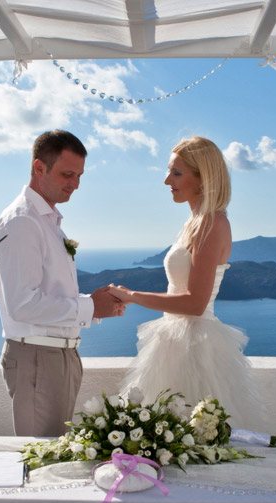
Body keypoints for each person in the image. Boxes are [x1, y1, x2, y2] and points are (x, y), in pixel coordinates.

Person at [109, 136, 263, 427]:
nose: (167, 180)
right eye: (169, 171)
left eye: (177, 173)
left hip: (193, 346)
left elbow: (194, 303)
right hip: (175, 340)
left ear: (204, 179)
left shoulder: (212, 223)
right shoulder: (195, 222)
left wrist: (131, 295)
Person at [0, 129, 125, 437]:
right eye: (68, 174)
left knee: (55, 454)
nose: (75, 184)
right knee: (42, 460)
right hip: (38, 359)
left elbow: (49, 292)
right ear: (39, 168)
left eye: (79, 175)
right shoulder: (22, 220)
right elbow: (22, 304)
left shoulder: (47, 219)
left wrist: (96, 305)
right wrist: (90, 306)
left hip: (57, 358)